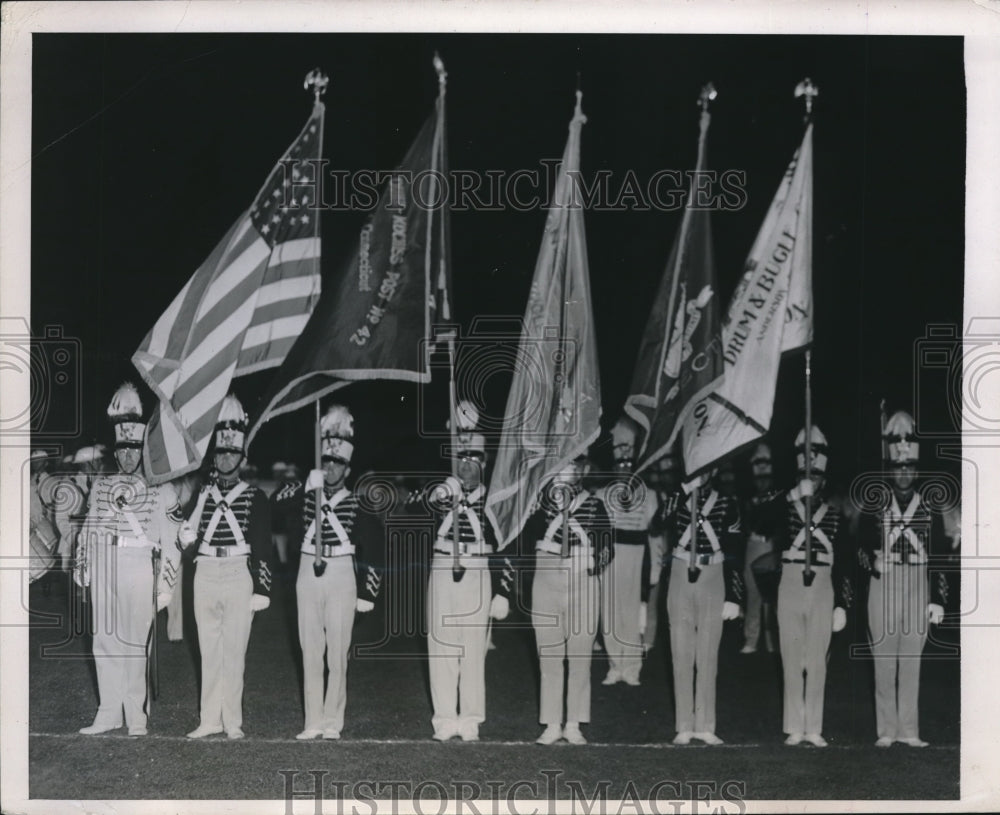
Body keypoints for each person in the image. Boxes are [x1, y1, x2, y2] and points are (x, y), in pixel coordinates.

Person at [273, 405, 385, 740]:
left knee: (337, 650)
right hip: (308, 569)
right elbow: (275, 505)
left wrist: (369, 591)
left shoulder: (358, 502)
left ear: (347, 468)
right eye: (327, 462)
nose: (332, 468)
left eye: (338, 464)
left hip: (341, 573)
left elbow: (376, 548)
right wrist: (307, 485)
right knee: (310, 648)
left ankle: (334, 720)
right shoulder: (307, 491)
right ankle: (313, 720)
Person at [76, 383, 182, 736]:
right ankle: (109, 711)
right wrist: (84, 568)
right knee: (103, 639)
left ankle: (136, 713)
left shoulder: (161, 488)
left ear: (144, 450)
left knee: (137, 641)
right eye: (121, 449)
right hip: (105, 562)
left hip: (139, 564)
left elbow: (173, 540)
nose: (126, 457)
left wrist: (166, 585)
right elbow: (88, 529)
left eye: (133, 449)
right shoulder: (102, 485)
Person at [419, 401, 513, 741]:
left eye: (473, 459)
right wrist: (443, 493)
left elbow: (506, 547)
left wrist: (504, 590)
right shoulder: (441, 490)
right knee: (441, 643)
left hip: (477, 567)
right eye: (461, 458)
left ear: (484, 463)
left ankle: (471, 716)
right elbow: (414, 508)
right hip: (444, 565)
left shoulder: (495, 500)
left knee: (473, 648)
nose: (466, 466)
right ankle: (444, 717)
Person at [180, 395, 273, 739]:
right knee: (209, 650)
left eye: (232, 453)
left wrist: (263, 588)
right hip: (205, 572)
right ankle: (209, 720)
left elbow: (263, 545)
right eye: (220, 452)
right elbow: (188, 536)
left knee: (234, 652)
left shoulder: (255, 496)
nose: (225, 458)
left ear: (242, 457)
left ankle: (232, 720)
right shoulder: (202, 493)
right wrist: (185, 535)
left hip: (237, 572)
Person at [861, 410, 950, 748]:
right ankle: (886, 730)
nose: (903, 473)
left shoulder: (929, 504)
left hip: (917, 583)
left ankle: (909, 730)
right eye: (898, 467)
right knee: (883, 658)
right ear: (891, 468)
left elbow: (941, 553)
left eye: (909, 467)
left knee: (912, 658)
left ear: (916, 469)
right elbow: (857, 549)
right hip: (883, 584)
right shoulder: (876, 502)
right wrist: (872, 560)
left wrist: (938, 598)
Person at [516, 454, 613, 745]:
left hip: (582, 579)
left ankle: (573, 723)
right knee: (549, 654)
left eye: (570, 465)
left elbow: (607, 547)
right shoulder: (539, 504)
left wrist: (590, 564)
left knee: (580, 655)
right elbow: (522, 542)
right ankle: (551, 722)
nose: (564, 470)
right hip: (546, 576)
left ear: (581, 470)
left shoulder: (594, 505)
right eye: (559, 464)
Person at [777, 427, 853, 747]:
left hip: (822, 584)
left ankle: (814, 726)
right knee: (792, 655)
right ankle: (795, 725)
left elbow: (846, 560)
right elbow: (760, 518)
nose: (813, 480)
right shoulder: (783, 505)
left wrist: (843, 604)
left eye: (817, 475)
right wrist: (794, 495)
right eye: (807, 474)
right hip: (791, 580)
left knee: (818, 658)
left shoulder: (835, 512)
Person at [664, 470, 743, 745]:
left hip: (713, 573)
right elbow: (656, 523)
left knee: (707, 653)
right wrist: (682, 491)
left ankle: (706, 724)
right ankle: (684, 724)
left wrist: (734, 595)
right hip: (680, 570)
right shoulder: (678, 497)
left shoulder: (727, 503)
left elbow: (734, 550)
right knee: (681, 650)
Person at [596, 418, 661, 685]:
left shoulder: (649, 495)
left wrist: (654, 569)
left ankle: (632, 666)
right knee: (610, 611)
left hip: (636, 555)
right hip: (611, 555)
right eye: (620, 465)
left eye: (629, 465)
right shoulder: (602, 494)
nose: (624, 469)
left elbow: (654, 535)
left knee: (633, 611)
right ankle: (615, 665)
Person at [740, 442, 783, 654]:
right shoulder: (747, 491)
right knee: (753, 591)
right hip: (754, 543)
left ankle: (773, 639)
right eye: (758, 463)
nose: (762, 467)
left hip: (773, 545)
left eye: (766, 462)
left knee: (776, 594)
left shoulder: (779, 491)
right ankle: (751, 638)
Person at [646, 450, 682, 653]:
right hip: (656, 552)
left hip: (675, 554)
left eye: (670, 472)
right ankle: (648, 638)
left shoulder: (678, 496)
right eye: (663, 473)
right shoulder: (653, 496)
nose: (666, 477)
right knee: (652, 594)